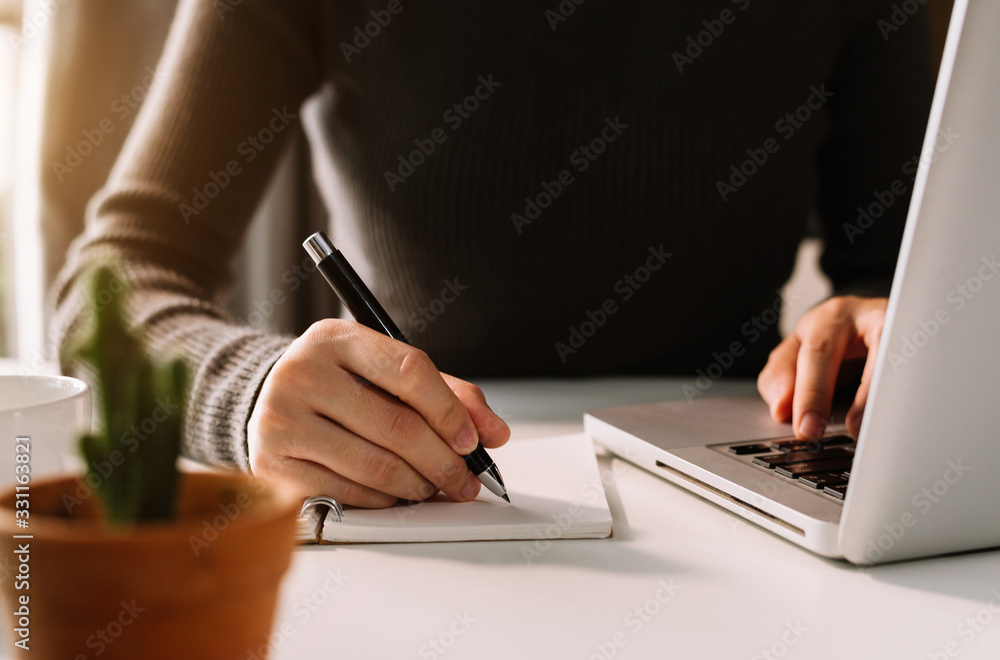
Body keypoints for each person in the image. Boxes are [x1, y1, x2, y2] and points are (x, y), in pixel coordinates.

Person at [52, 0, 934, 508]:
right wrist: (246, 395)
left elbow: (904, 262)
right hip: (407, 493)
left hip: (762, 465)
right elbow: (117, 272)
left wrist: (892, 318)